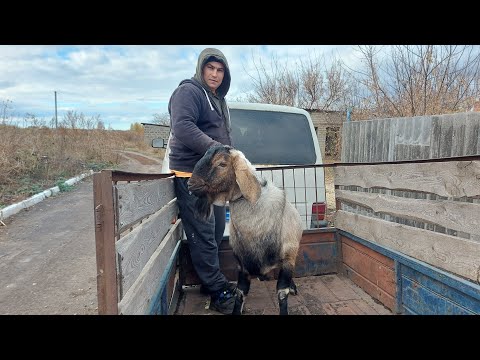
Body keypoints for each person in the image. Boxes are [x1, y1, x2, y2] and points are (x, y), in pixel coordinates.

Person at [167, 48, 236, 314]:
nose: (215, 74)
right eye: (211, 69)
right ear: (201, 68)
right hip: (192, 177)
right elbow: (182, 126)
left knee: (217, 231)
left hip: (212, 180)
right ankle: (218, 291)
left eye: (220, 70)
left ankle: (210, 282)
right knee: (204, 236)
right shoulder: (189, 92)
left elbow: (222, 136)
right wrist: (216, 150)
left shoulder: (216, 98)